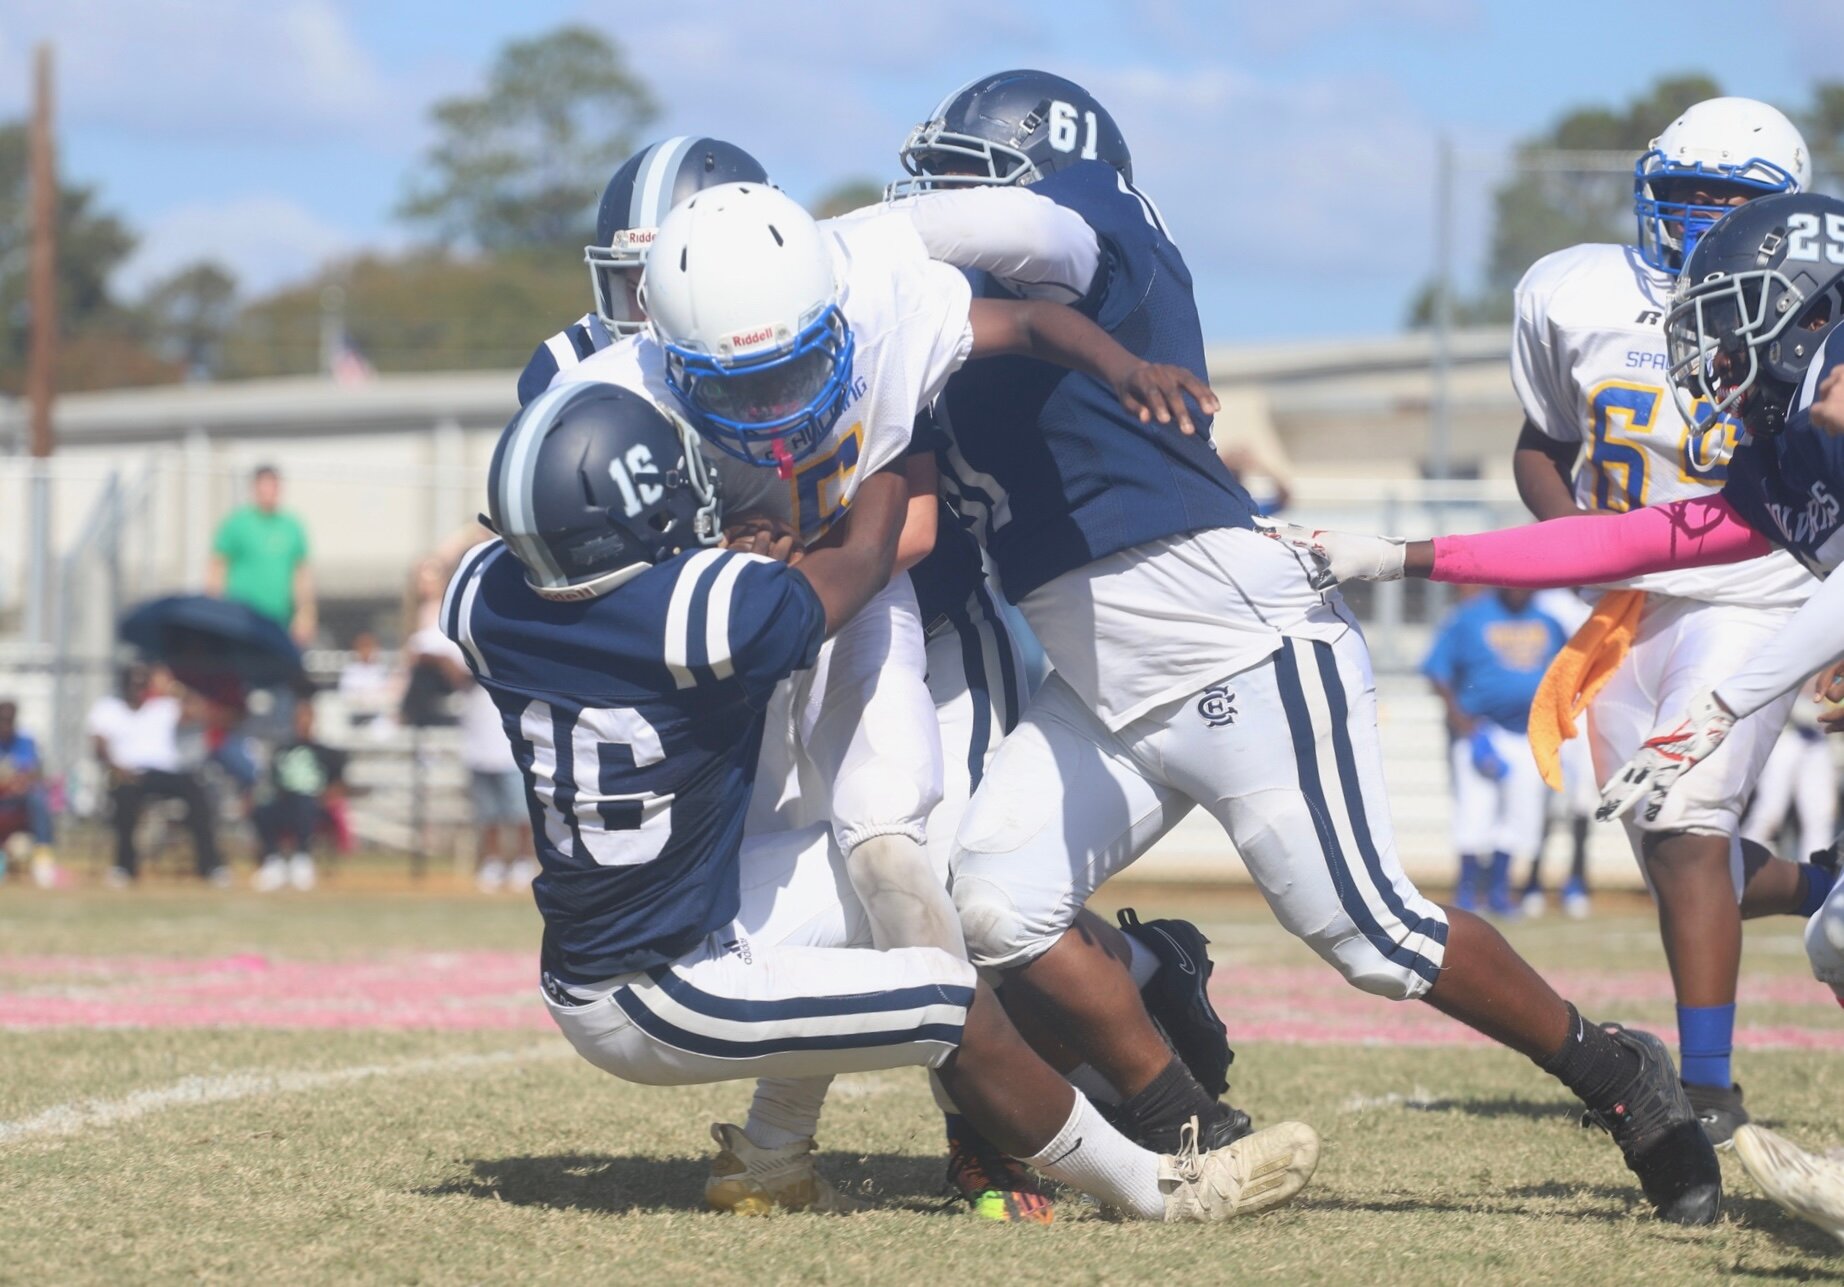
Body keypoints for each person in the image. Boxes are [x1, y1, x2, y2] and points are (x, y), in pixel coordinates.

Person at [884, 67, 1721, 1225]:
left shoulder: (1091, 236)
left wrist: (803, 252)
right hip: (1101, 680)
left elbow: (1000, 224)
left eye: (957, 179)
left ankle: (1615, 1073)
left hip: (1240, 647)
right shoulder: (939, 318)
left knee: (1373, 934)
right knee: (992, 906)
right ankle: (1189, 1121)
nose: (933, 203)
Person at [522, 144, 1232, 1221]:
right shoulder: (609, 399)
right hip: (727, 661)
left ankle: (976, 1134)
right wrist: (736, 572)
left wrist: (1120, 354)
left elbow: (926, 492)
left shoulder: (880, 292)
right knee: (826, 895)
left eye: (793, 368)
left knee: (896, 853)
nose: (769, 405)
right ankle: (793, 1144)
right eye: (737, 383)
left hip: (867, 611)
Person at [446, 379, 1321, 1222]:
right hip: (664, 987)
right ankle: (1158, 1185)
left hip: (645, 931)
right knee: (948, 998)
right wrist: (885, 436)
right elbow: (863, 559)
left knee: (897, 872)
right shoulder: (699, 613)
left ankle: (772, 1152)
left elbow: (528, 557)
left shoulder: (484, 598)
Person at [1267, 189, 1844, 1021]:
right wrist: (1400, 558)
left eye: (1739, 319)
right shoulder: (1787, 446)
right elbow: (1624, 542)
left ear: (1812, 309)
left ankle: (1710, 1094)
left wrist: (1729, 700)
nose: (1718, 358)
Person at [1491, 96, 1814, 1143]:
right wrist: (1572, 543)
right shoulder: (1570, 291)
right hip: (1624, 602)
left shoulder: (1818, 306)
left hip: (1752, 589)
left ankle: (1709, 1095)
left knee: (1684, 824)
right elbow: (1539, 439)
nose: (1699, 214)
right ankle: (1830, 884)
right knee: (1684, 854)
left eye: (1729, 198)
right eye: (1683, 192)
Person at [1421, 587, 1568, 916]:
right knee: (1475, 812)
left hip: (1529, 734)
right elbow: (1436, 669)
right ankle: (1468, 892)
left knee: (1519, 815)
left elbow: (1565, 674)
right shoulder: (1470, 617)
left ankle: (1500, 892)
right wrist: (1463, 723)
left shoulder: (1549, 621)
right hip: (1481, 729)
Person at [86, 663, 225, 886]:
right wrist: (118, 768)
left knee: (197, 794)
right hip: (128, 774)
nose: (137, 689)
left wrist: (174, 687)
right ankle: (124, 867)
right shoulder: (107, 709)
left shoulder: (163, 707)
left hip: (165, 773)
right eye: (133, 684)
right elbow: (99, 748)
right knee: (123, 800)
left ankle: (211, 866)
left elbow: (205, 713)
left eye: (143, 684)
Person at [207, 465, 316, 646]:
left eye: (273, 485)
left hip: (279, 620)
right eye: (264, 485)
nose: (269, 491)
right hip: (241, 618)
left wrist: (305, 614)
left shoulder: (292, 526)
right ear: (254, 488)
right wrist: (214, 610)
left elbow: (301, 573)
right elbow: (217, 566)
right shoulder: (237, 523)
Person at [252, 695, 345, 892]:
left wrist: (327, 797)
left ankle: (302, 859)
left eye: (306, 717)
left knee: (304, 804)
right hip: (285, 800)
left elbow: (338, 784)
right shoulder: (283, 750)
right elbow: (272, 781)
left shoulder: (326, 752)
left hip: (314, 804)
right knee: (261, 809)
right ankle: (273, 860)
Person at [1741, 681, 1837, 863]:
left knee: (1820, 817)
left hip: (1817, 738)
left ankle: (1816, 875)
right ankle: (1741, 866)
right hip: (1785, 734)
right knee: (1769, 812)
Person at [0, 699, 56, 879]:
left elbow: (33, 772)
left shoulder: (25, 741)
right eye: (2, 719)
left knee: (38, 798)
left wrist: (19, 782)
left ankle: (42, 857)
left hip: (19, 800)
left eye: (9, 720)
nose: (5, 724)